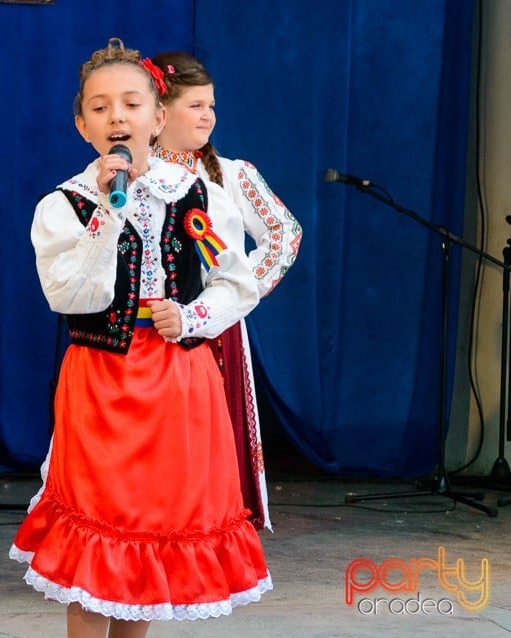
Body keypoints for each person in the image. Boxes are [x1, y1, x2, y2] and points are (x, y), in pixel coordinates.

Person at [10, 38, 271, 637]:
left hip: (179, 384)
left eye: (131, 103)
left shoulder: (192, 198)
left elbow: (236, 282)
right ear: (81, 125)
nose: (117, 117)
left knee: (154, 537)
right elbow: (71, 296)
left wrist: (194, 317)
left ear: (159, 117)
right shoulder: (67, 205)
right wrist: (108, 208)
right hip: (103, 381)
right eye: (100, 108)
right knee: (97, 540)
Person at [148, 51, 303, 531]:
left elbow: (285, 233)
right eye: (195, 105)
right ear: (160, 112)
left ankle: (203, 530)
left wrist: (235, 295)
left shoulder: (229, 175)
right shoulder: (134, 175)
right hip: (150, 331)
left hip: (214, 336)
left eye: (211, 105)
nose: (208, 116)